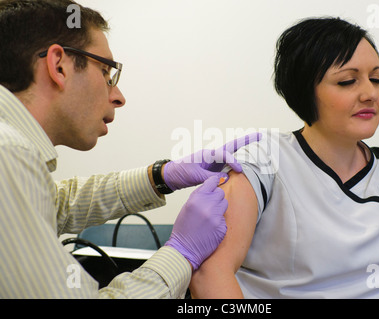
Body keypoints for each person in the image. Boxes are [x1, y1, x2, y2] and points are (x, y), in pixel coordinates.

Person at [0, 0, 260, 298]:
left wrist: (162, 176)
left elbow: (57, 205)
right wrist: (181, 253)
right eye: (106, 73)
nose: (119, 97)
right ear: (59, 66)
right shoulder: (8, 155)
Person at [189, 17, 379, 299]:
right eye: (348, 81)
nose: (370, 93)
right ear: (304, 90)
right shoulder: (262, 163)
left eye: (376, 79)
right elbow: (209, 275)